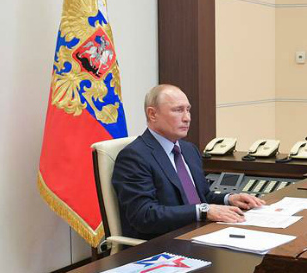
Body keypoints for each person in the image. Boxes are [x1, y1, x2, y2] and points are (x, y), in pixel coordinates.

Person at [112, 84, 265, 240]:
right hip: (165, 242)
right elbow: (144, 215)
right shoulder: (134, 157)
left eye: (188, 110)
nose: (187, 118)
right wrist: (203, 211)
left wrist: (229, 199)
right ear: (152, 114)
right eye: (178, 110)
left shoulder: (189, 150)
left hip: (202, 233)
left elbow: (202, 197)